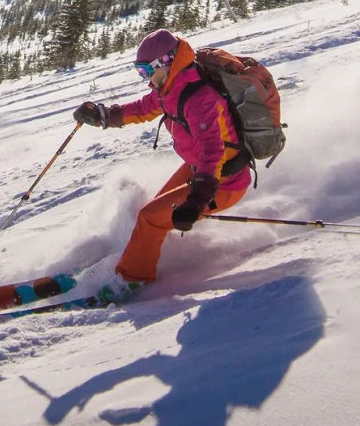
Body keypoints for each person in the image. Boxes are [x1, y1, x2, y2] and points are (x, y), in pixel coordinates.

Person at [72, 28, 252, 284]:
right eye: (140, 72)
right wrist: (103, 116)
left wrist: (197, 200)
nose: (145, 78)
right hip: (200, 169)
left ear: (166, 62)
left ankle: (131, 280)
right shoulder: (172, 87)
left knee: (150, 218)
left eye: (147, 70)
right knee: (154, 211)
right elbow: (143, 108)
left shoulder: (199, 99)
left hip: (224, 181)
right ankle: (142, 256)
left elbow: (213, 151)